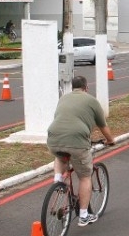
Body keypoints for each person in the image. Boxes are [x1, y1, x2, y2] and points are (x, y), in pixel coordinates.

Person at [47, 75, 115, 227]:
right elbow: (103, 126)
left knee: (60, 155)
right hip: (77, 141)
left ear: (72, 87)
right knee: (85, 177)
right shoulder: (91, 100)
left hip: (53, 137)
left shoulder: (63, 98)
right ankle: (84, 215)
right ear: (86, 87)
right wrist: (111, 141)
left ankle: (58, 181)